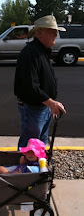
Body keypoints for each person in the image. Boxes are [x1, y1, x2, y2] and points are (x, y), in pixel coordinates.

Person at [14, 15, 66, 149]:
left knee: (40, 141)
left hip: (42, 106)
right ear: (39, 33)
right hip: (34, 108)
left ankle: (37, 166)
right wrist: (51, 103)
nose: (56, 34)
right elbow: (30, 86)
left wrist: (50, 104)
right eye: (52, 31)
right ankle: (25, 169)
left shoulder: (41, 51)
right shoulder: (30, 53)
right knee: (29, 144)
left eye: (56, 31)